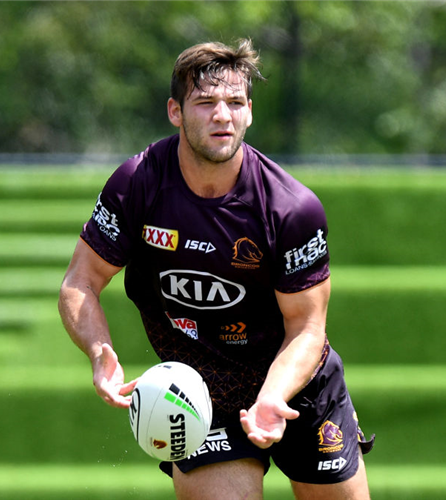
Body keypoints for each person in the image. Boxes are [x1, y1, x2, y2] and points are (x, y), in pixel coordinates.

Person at [59, 39, 374, 500]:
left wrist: (273, 395)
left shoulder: (291, 208)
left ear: (249, 112)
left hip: (297, 386)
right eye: (205, 103)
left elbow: (307, 328)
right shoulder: (137, 184)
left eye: (234, 103)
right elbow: (81, 280)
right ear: (175, 111)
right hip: (197, 394)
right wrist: (98, 349)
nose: (222, 115)